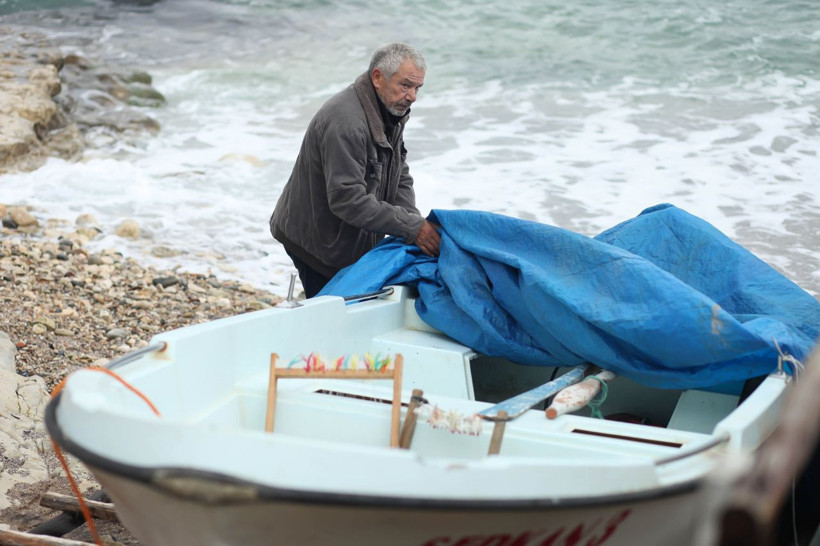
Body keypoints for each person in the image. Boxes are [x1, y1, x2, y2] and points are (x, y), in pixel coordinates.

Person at [270, 42, 440, 298]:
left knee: (348, 306)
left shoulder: (390, 109)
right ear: (377, 78)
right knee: (333, 312)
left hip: (344, 232)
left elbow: (398, 171)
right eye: (405, 85)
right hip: (315, 241)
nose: (413, 96)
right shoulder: (346, 123)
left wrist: (412, 222)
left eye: (417, 88)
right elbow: (346, 200)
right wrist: (410, 227)